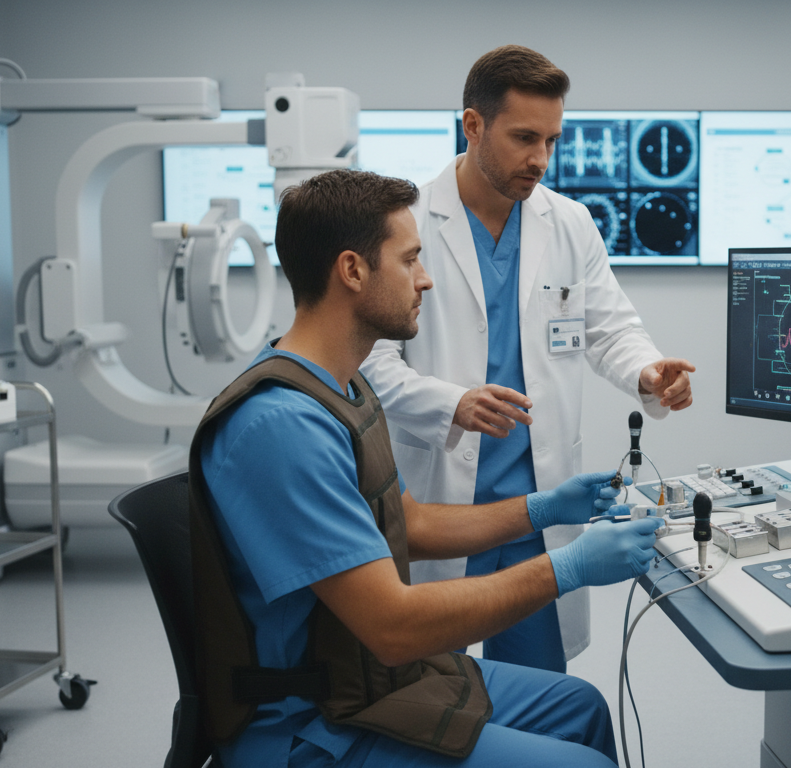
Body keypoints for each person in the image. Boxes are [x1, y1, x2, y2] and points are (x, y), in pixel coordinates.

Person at [191, 169, 663, 768]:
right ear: (353, 271)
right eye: (410, 259)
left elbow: (407, 522)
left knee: (580, 708)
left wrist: (544, 508)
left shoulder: (342, 387)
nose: (427, 278)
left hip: (365, 678)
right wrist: (569, 566)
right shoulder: (281, 426)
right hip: (313, 718)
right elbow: (394, 628)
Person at [361, 44, 696, 673]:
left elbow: (609, 329)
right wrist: (449, 402)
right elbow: (369, 359)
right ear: (473, 126)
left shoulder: (568, 223)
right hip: (442, 503)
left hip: (539, 509)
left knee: (541, 690)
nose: (540, 159)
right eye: (523, 138)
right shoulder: (408, 224)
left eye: (551, 140)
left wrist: (649, 372)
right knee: (431, 682)